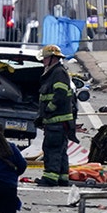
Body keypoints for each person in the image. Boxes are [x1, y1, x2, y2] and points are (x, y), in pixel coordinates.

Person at [37, 44, 75, 186]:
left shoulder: (58, 73)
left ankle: (50, 178)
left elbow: (60, 94)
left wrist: (49, 109)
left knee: (51, 149)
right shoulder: (53, 72)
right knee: (60, 150)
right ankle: (62, 178)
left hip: (56, 120)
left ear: (53, 58)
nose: (43, 61)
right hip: (57, 120)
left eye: (45, 58)